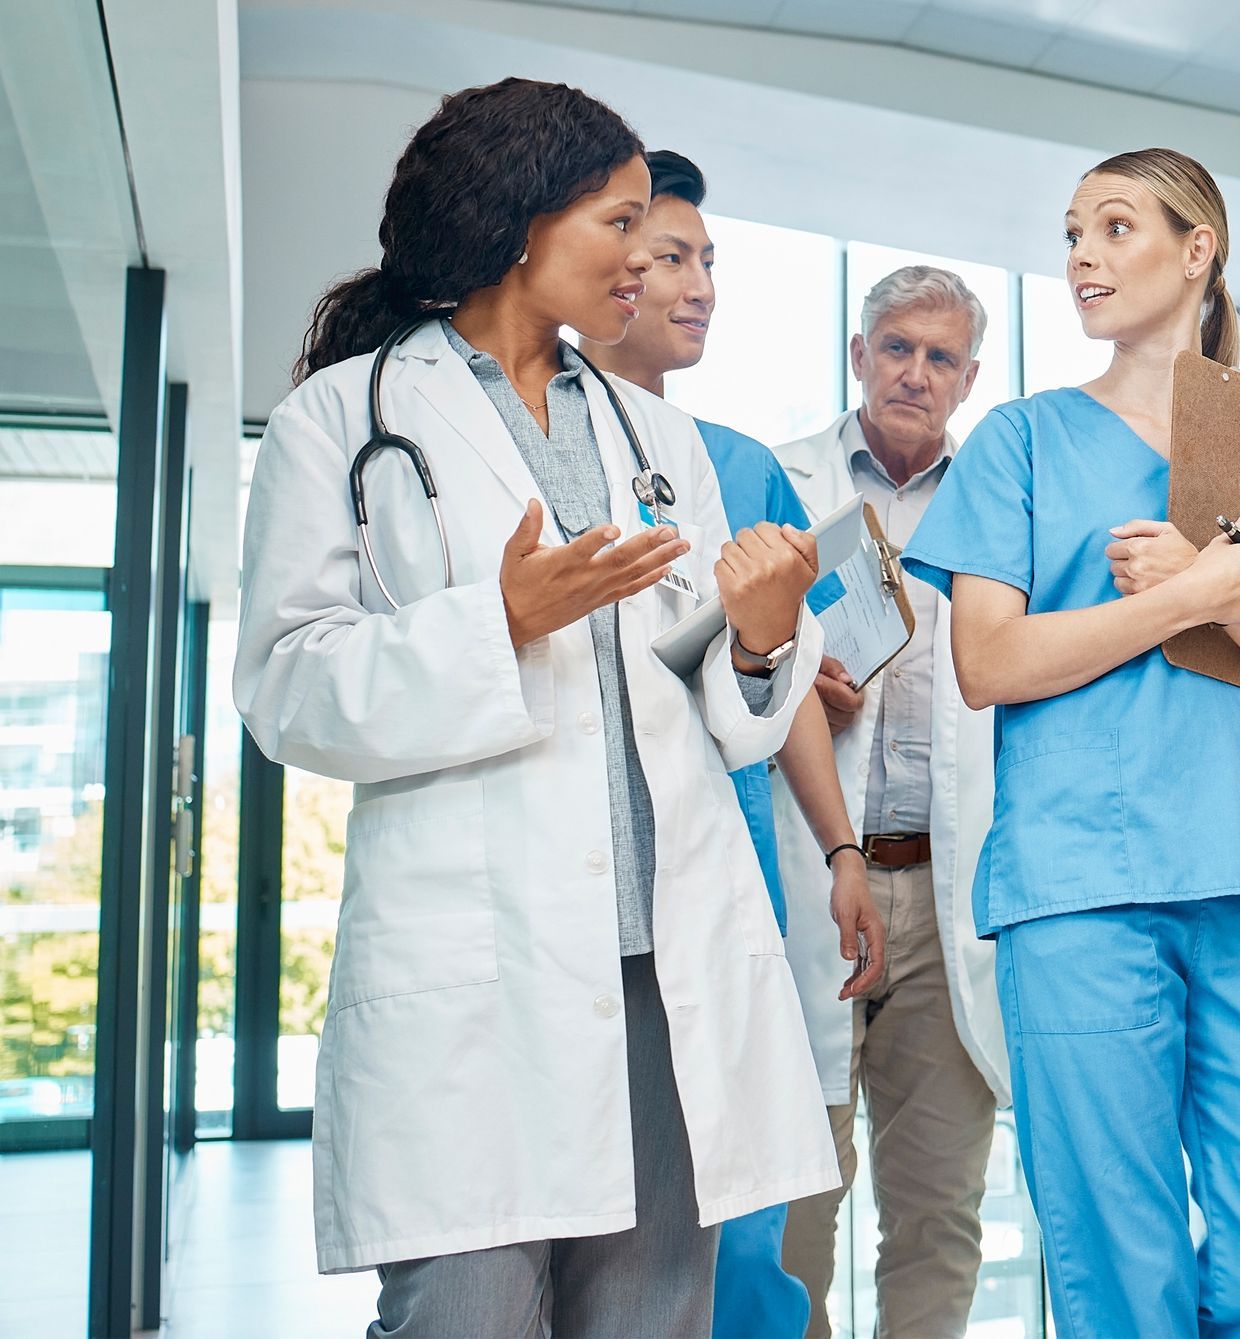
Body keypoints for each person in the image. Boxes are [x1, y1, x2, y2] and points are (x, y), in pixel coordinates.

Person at [232, 79, 839, 1337]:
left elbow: (720, 704)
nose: (646, 261)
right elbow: (289, 689)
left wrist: (766, 633)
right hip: (483, 962)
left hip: (663, 977)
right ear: (522, 223)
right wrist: (497, 623)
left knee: (650, 1318)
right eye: (620, 226)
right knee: (471, 1313)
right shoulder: (344, 420)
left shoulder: (647, 431)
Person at [900, 148, 1240, 1339]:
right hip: (1082, 893)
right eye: (1072, 235)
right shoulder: (1021, 439)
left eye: (1116, 229)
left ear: (1197, 247)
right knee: (1123, 1275)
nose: (1082, 259)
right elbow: (988, 661)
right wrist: (1176, 601)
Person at [581, 147, 883, 1339]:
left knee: (738, 1208)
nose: (700, 285)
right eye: (672, 258)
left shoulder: (742, 465)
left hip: (727, 869)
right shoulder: (514, 449)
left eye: (710, 262)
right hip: (587, 871)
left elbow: (786, 681)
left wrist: (841, 849)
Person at [775, 267, 1012, 1339]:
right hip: (818, 881)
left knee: (938, 1211)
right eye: (897, 347)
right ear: (859, 355)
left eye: (942, 356)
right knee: (793, 1205)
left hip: (944, 889)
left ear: (969, 377)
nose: (917, 372)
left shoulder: (1000, 501)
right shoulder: (785, 485)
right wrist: (786, 672)